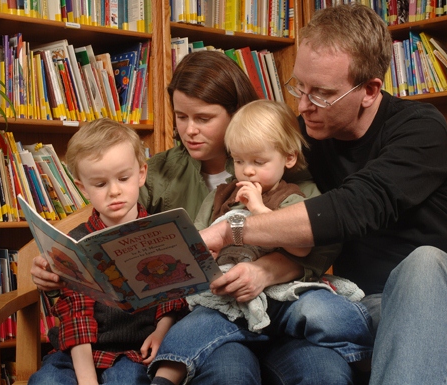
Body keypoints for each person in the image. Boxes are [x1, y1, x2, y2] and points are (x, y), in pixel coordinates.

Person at [200, 3, 447, 385]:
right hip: (372, 310)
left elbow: (351, 209)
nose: (303, 106)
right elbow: (249, 161)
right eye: (299, 86)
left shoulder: (421, 128)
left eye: (322, 94)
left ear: (369, 90)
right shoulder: (305, 137)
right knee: (407, 346)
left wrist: (231, 230)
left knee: (423, 265)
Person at [30, 50, 349, 385]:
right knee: (229, 370)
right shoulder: (157, 172)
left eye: (204, 118)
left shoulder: (279, 172)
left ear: (236, 114)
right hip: (202, 316)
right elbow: (109, 214)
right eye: (182, 117)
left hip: (274, 312)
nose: (190, 130)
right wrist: (57, 262)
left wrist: (264, 270)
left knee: (325, 371)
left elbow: (322, 247)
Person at [149, 99, 373, 385]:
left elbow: (302, 247)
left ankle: (363, 356)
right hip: (233, 301)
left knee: (323, 311)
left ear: (288, 158)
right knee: (194, 326)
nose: (248, 171)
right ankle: (165, 377)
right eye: (239, 161)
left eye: (258, 162)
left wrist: (257, 210)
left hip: (285, 294)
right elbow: (198, 242)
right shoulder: (220, 197)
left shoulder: (296, 198)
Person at [28, 118, 188, 385]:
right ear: (82, 187)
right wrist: (88, 380)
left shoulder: (162, 233)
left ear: (141, 174)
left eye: (123, 178)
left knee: (127, 381)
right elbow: (75, 316)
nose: (114, 191)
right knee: (46, 382)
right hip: (77, 352)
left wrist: (162, 332)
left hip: (136, 351)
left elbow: (173, 297)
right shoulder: (75, 243)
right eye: (100, 184)